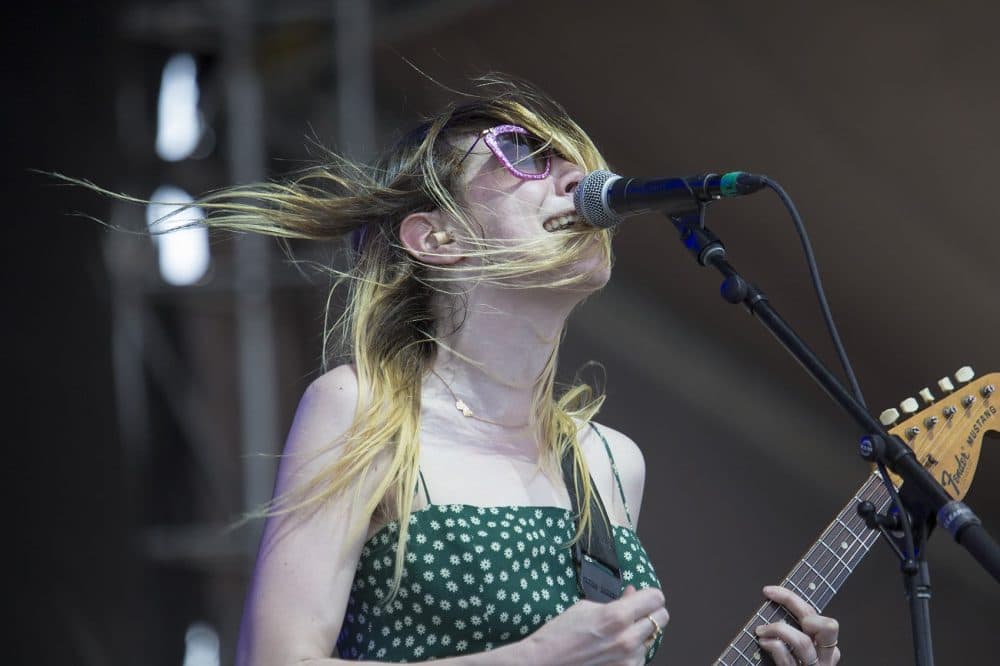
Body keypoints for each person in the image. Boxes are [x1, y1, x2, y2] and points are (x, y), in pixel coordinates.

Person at [206, 76, 842, 665]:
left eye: (577, 163)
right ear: (436, 239)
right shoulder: (363, 409)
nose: (575, 176)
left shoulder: (609, 463)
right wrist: (532, 659)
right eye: (523, 155)